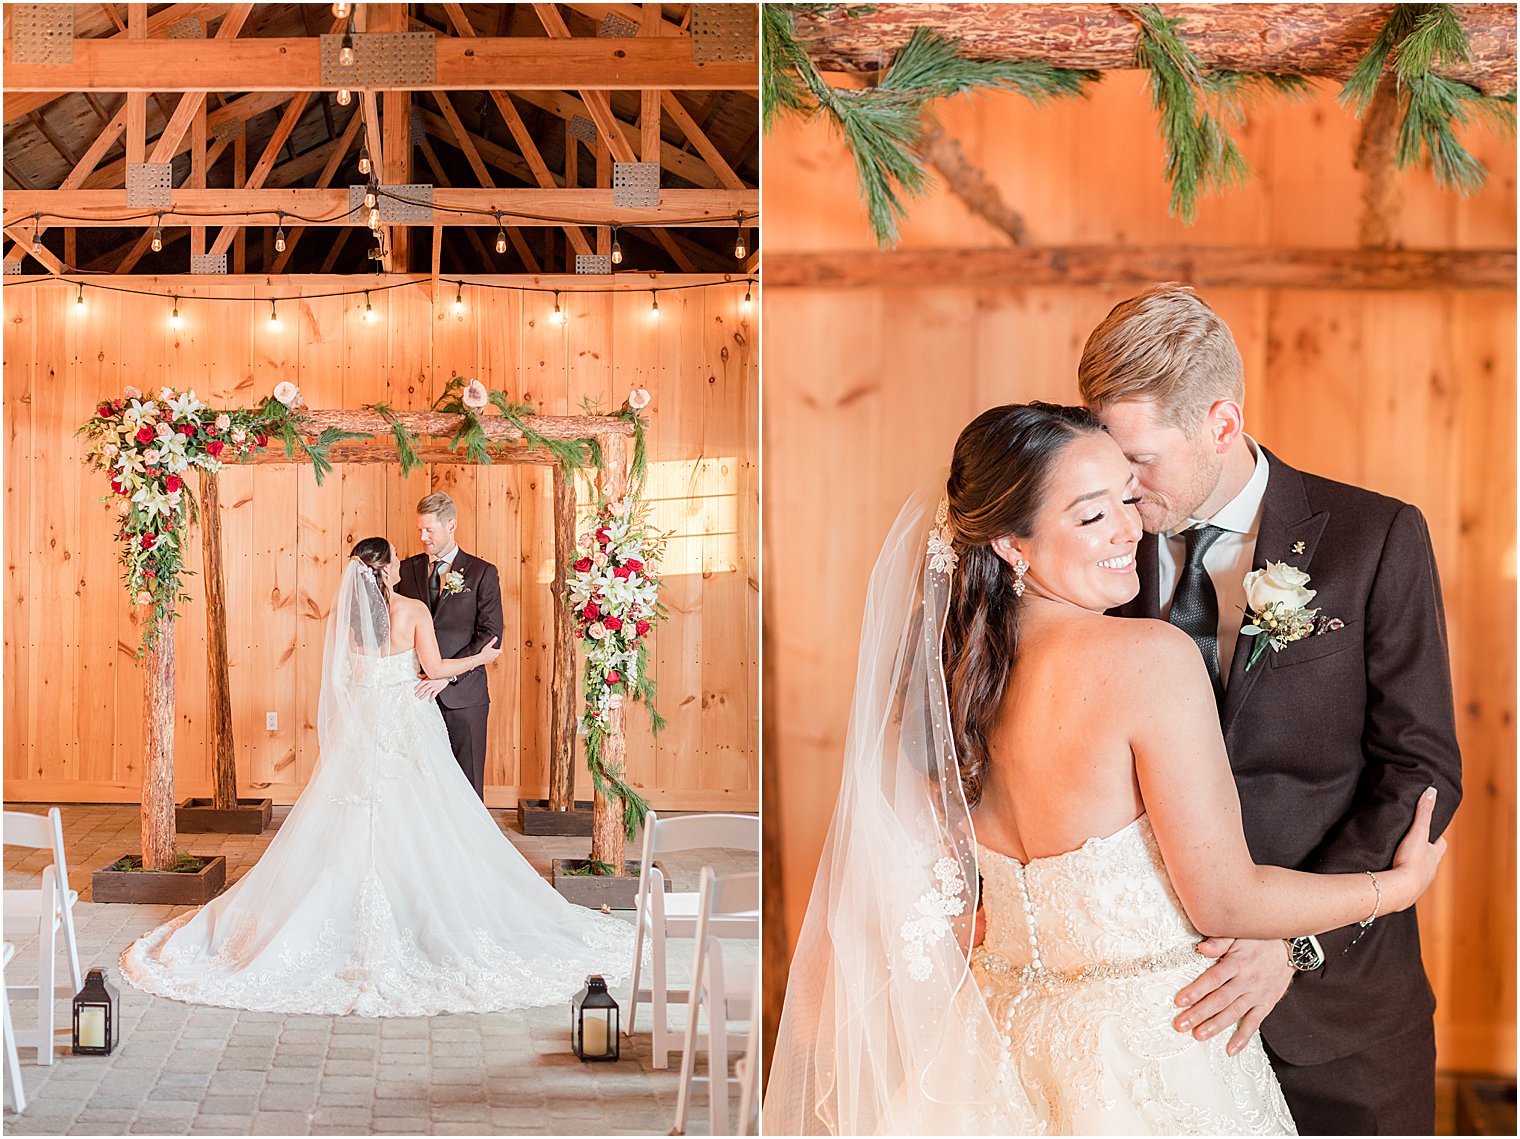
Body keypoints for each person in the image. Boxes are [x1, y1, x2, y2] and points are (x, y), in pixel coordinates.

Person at [763, 402, 1446, 1134]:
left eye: (1127, 498)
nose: (1131, 530)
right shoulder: (1150, 659)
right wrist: (1392, 886)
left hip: (999, 1050)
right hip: (1153, 1057)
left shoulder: (954, 682)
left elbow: (933, 893)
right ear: (1011, 544)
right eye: (1092, 517)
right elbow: (1224, 900)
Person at [1080, 285, 1461, 1135]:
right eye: (1105, 459)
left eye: (1140, 460)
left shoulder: (1376, 537)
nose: (1119, 489)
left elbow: (1422, 767)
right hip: (1151, 1011)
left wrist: (1289, 941)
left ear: (1221, 422)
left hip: (1344, 1025)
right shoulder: (1092, 554)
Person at [121, 537, 635, 1016]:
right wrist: (483, 656)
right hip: (408, 725)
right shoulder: (412, 611)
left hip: (365, 725)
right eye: (393, 562)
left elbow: (345, 676)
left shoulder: (350, 619)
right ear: (387, 570)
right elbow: (433, 671)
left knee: (345, 817)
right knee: (427, 816)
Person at [395, 492, 503, 800]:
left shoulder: (482, 572)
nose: (423, 536)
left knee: (467, 786)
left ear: (451, 525)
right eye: (420, 529)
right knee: (418, 785)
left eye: (429, 529)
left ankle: (469, 848)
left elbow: (491, 634)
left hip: (465, 696)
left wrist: (446, 674)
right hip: (416, 694)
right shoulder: (405, 570)